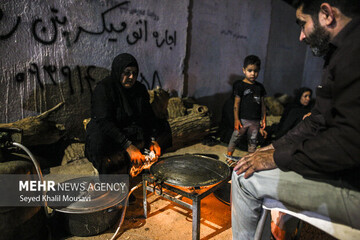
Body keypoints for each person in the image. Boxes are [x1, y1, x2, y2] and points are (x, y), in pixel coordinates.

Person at [231, 0, 360, 239]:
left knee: (242, 177)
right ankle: (283, 231)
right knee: (268, 159)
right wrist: (273, 147)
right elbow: (317, 120)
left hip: (353, 183)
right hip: (347, 168)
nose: (301, 36)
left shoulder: (353, 54)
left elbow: (348, 143)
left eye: (303, 24)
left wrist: (278, 158)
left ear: (326, 14)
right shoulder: (339, 51)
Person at [85, 53, 171, 178]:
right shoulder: (104, 89)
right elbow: (104, 122)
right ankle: (116, 187)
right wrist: (128, 146)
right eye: (127, 73)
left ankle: (146, 161)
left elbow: (148, 117)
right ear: (118, 72)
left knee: (164, 128)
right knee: (102, 144)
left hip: (130, 130)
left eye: (134, 74)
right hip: (112, 134)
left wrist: (152, 140)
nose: (131, 77)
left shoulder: (139, 89)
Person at [226, 55, 267, 164]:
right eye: (250, 70)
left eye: (256, 71)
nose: (253, 74)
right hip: (242, 120)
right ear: (243, 70)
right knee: (235, 138)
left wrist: (263, 119)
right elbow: (236, 104)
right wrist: (236, 119)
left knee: (253, 141)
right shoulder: (240, 86)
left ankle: (250, 160)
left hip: (255, 121)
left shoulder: (260, 87)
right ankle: (229, 157)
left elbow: (263, 104)